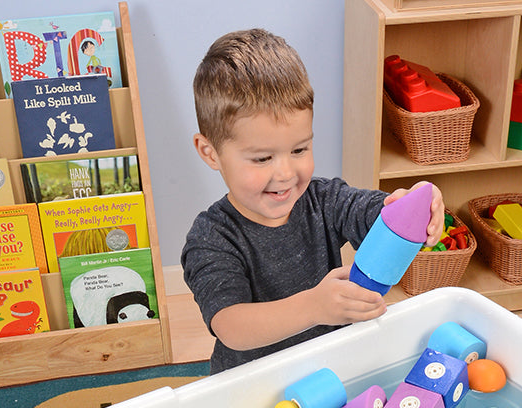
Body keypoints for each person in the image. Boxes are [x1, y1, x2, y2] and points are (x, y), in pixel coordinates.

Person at [181, 28, 445, 374]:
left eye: (300, 149)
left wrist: (412, 203)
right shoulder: (211, 237)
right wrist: (314, 307)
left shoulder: (322, 199)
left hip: (328, 370)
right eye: (262, 159)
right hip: (252, 387)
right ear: (210, 152)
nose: (286, 173)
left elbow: (374, 214)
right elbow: (231, 326)